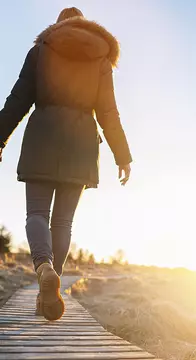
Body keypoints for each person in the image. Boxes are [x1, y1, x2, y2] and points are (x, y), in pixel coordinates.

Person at [0, 7, 132, 320]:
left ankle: (44, 268)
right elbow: (108, 113)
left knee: (36, 213)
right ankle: (49, 291)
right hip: (81, 144)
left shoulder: (41, 51)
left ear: (58, 26)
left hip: (43, 137)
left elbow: (18, 99)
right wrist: (123, 155)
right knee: (62, 223)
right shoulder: (101, 59)